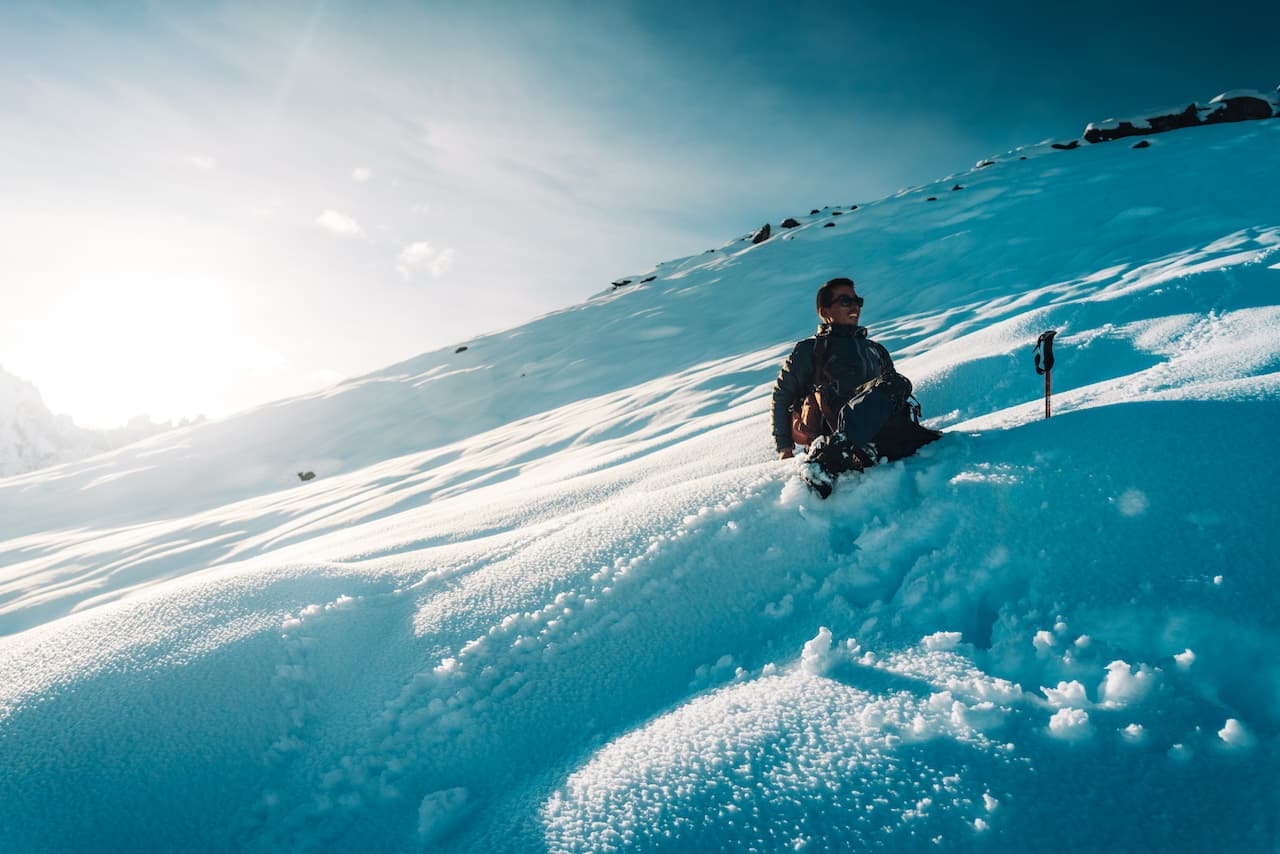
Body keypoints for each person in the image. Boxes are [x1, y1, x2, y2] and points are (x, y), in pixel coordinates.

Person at [771, 277, 941, 497]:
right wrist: (784, 449)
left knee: (899, 388)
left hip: (879, 433)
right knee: (891, 384)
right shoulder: (810, 350)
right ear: (825, 311)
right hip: (833, 430)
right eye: (845, 301)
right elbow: (782, 396)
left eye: (857, 300)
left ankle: (863, 446)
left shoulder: (875, 350)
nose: (854, 306)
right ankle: (831, 455)